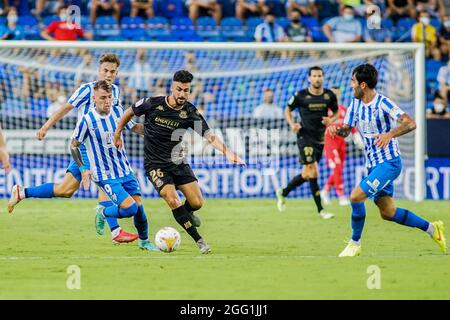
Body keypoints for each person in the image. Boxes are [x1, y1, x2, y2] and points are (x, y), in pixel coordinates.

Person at [8, 53, 139, 244]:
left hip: (103, 148)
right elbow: (65, 108)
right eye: (105, 70)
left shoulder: (116, 92)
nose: (108, 74)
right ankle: (115, 231)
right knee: (102, 180)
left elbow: (116, 117)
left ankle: (22, 192)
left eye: (112, 71)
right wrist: (46, 126)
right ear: (99, 70)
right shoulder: (87, 90)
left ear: (117, 73)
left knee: (65, 190)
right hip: (85, 148)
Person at [113, 70, 246, 254]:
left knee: (197, 203)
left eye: (186, 90)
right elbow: (129, 112)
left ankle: (187, 214)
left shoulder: (190, 112)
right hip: (155, 165)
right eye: (179, 89)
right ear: (172, 87)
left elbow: (209, 135)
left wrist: (228, 152)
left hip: (178, 161)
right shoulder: (153, 103)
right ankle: (199, 240)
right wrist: (118, 132)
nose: (182, 94)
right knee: (173, 200)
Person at [327, 63, 447, 257]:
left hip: (389, 163)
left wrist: (390, 134)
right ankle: (433, 229)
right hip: (373, 165)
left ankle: (354, 243)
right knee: (388, 212)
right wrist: (335, 128)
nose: (351, 85)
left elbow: (411, 123)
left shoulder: (383, 103)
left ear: (363, 85)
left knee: (355, 197)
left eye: (353, 82)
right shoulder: (355, 104)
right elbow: (346, 130)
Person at [71, 80, 157, 251]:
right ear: (94, 98)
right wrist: (83, 168)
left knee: (139, 208)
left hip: (124, 170)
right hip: (105, 175)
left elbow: (135, 128)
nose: (107, 101)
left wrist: (157, 131)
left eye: (109, 97)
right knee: (130, 208)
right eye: (103, 98)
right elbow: (74, 145)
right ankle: (102, 212)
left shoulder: (118, 111)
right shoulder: (87, 121)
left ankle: (144, 241)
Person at [276, 66, 338, 220]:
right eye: (314, 76)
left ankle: (283, 192)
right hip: (304, 136)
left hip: (320, 139)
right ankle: (321, 210)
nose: (317, 78)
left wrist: (331, 119)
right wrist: (292, 124)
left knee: (306, 173)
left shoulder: (329, 95)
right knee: (313, 170)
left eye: (320, 76)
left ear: (323, 78)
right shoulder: (300, 95)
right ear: (309, 78)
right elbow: (287, 110)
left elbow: (336, 112)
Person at [321, 86, 364, 206]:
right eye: (333, 93)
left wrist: (356, 137)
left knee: (338, 169)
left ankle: (325, 190)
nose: (335, 96)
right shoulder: (325, 111)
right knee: (337, 167)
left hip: (341, 143)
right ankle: (341, 196)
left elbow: (351, 125)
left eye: (337, 93)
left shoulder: (344, 110)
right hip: (330, 142)